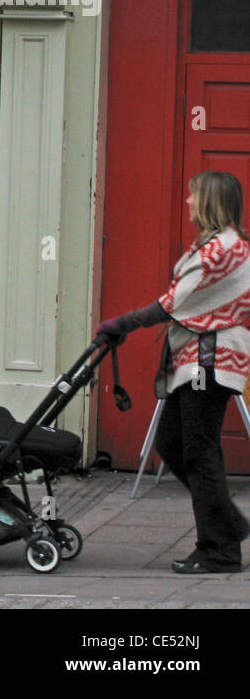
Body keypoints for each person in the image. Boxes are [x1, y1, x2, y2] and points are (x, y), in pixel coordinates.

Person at [95, 170, 250, 574]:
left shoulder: (223, 250)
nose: (187, 202)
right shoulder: (213, 246)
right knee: (175, 443)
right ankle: (228, 526)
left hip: (208, 361)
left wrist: (123, 323)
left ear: (212, 201)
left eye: (193, 196)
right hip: (196, 359)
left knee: (199, 453)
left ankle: (219, 550)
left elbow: (172, 303)